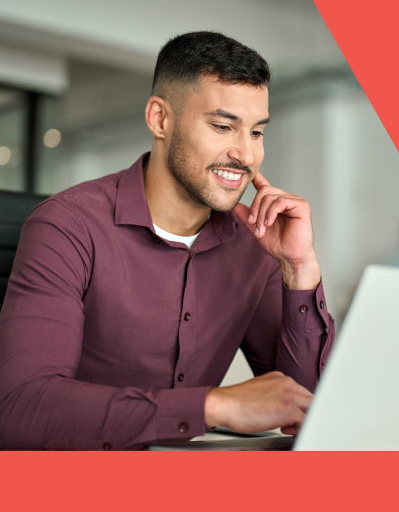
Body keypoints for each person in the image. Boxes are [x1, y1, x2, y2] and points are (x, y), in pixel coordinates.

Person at [0, 32, 334, 450]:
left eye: (255, 133)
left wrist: (298, 269)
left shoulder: (256, 244)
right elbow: (21, 408)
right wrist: (212, 407)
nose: (246, 156)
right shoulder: (67, 227)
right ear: (160, 119)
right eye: (223, 126)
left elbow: (309, 412)